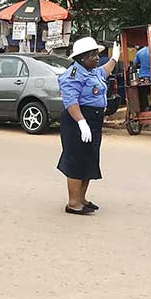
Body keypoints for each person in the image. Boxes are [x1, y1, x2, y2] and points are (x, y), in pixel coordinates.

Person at [57, 36, 120, 215]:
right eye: (93, 55)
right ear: (82, 57)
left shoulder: (92, 71)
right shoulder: (73, 75)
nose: (97, 57)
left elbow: (105, 71)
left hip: (93, 121)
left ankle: (82, 198)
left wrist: (115, 57)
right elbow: (71, 102)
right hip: (77, 120)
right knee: (76, 161)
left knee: (89, 160)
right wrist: (81, 122)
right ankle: (73, 203)